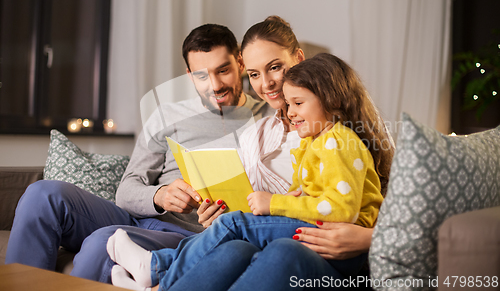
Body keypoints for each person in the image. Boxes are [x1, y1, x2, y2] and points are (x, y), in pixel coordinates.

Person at [5, 23, 274, 283]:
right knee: (43, 195)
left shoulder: (269, 118)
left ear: (240, 63)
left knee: (105, 244)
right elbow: (127, 190)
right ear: (189, 75)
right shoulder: (166, 115)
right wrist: (159, 196)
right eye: (201, 76)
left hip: (189, 234)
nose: (214, 85)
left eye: (223, 70)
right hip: (142, 217)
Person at [106, 52, 390, 291]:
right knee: (234, 244)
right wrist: (293, 197)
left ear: (331, 101)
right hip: (316, 232)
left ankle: (157, 266)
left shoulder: (338, 141)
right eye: (289, 104)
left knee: (234, 224)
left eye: (298, 103)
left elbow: (341, 211)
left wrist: (275, 203)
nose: (289, 112)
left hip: (339, 246)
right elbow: (317, 195)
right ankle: (160, 279)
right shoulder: (314, 142)